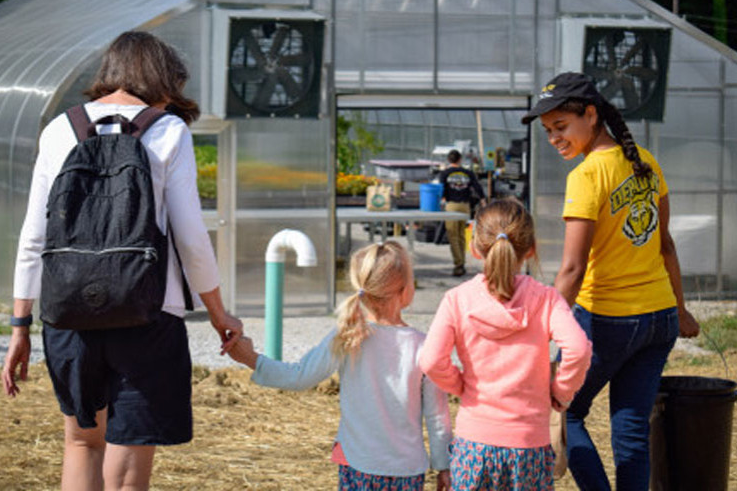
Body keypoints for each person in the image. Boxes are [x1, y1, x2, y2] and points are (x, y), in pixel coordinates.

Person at [1, 31, 243, 491]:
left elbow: (35, 235)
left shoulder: (60, 129)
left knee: (81, 444)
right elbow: (192, 237)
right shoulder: (167, 130)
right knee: (129, 451)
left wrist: (19, 327)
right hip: (148, 312)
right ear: (160, 77)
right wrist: (217, 313)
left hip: (69, 312)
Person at [521, 71, 700, 491]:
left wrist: (537, 330)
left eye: (561, 127)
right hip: (658, 320)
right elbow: (665, 245)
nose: (554, 139)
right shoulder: (646, 162)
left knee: (568, 412)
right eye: (548, 131)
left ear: (590, 113)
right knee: (632, 429)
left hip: (609, 321)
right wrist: (680, 307)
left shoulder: (586, 177)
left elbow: (572, 269)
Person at [228, 240, 452, 490]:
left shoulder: (347, 336)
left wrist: (250, 358)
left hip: (356, 463)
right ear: (404, 290)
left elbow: (299, 376)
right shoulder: (423, 345)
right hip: (407, 471)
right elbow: (437, 415)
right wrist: (444, 465)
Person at [419, 198, 592, 491]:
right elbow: (579, 348)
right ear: (532, 249)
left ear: (475, 248)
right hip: (529, 446)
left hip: (473, 443)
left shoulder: (457, 299)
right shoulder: (547, 299)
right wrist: (561, 394)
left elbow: (431, 361)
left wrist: (458, 385)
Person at [438, 149, 485, 276]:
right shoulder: (468, 173)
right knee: (461, 235)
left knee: (453, 236)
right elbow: (477, 187)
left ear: (449, 160)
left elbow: (440, 190)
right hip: (465, 206)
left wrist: (440, 200)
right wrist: (483, 200)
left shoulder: (445, 173)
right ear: (460, 160)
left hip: (451, 206)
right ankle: (462, 261)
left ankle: (459, 264)